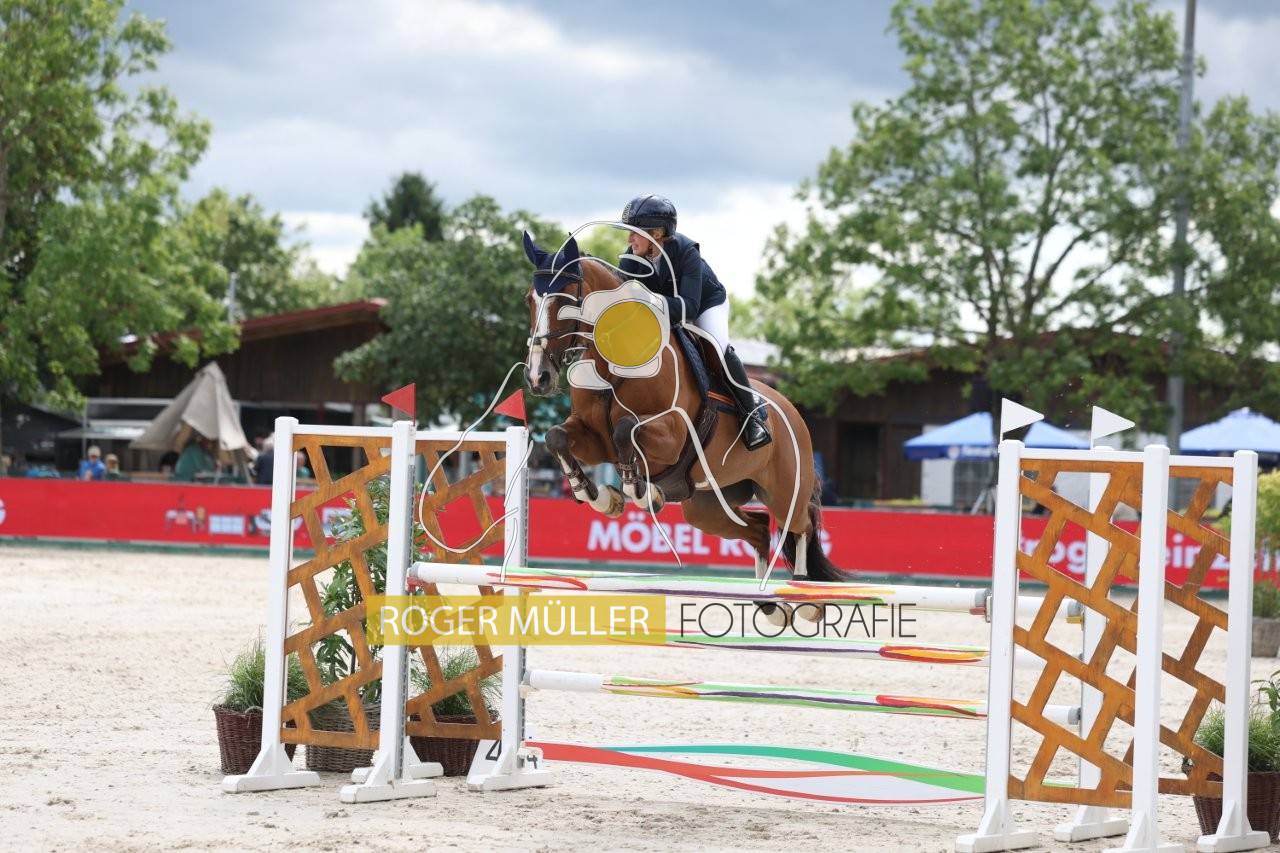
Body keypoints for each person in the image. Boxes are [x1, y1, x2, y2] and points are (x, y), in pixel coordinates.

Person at [617, 194, 771, 450]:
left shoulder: (686, 252)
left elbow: (689, 307)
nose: (629, 239)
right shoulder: (630, 258)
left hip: (705, 305)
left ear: (657, 233)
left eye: (635, 233)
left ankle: (751, 414)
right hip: (666, 309)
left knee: (717, 348)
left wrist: (648, 300)